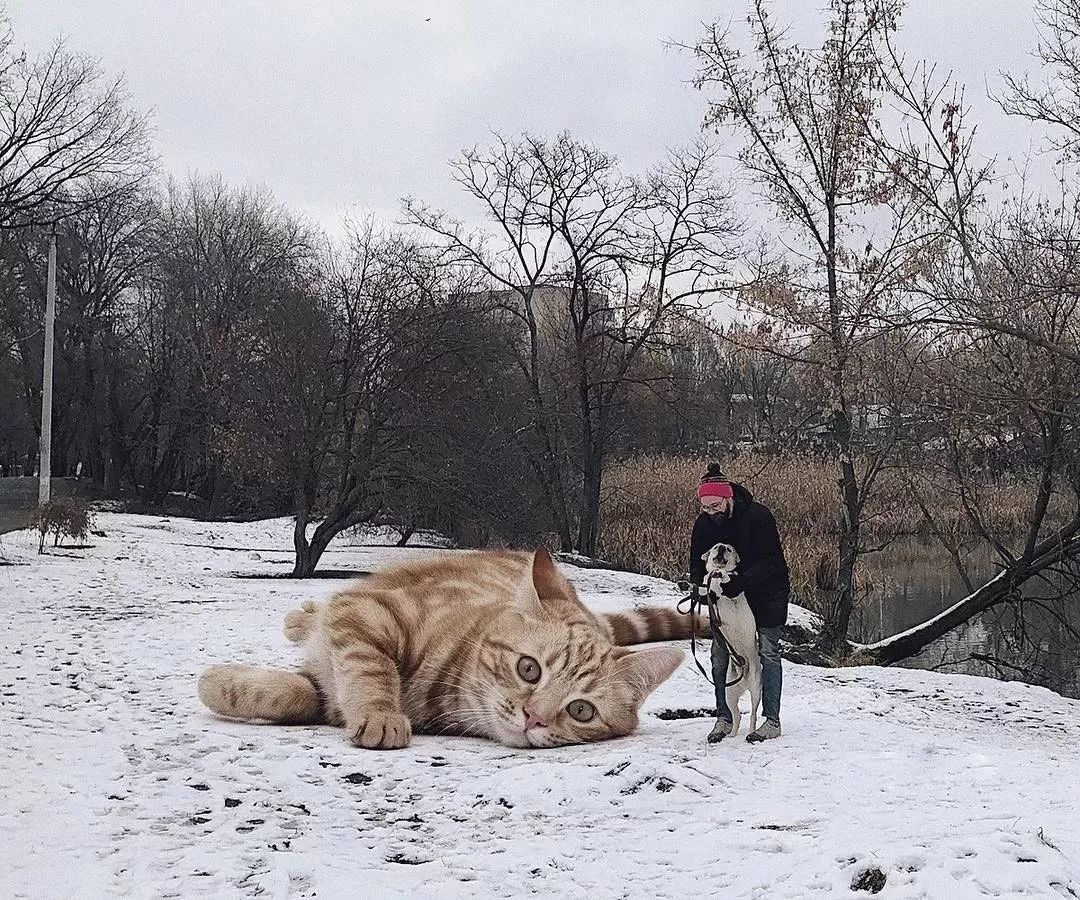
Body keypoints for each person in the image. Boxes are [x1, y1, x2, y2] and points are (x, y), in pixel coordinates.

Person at [688, 462, 790, 743]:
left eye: (715, 505)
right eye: (705, 507)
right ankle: (724, 717)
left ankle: (771, 720)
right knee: (719, 655)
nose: (711, 512)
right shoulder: (704, 524)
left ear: (727, 497)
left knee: (768, 653)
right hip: (724, 598)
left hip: (767, 593)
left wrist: (741, 583)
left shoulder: (758, 517)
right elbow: (696, 559)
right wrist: (698, 586)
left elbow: (772, 561)